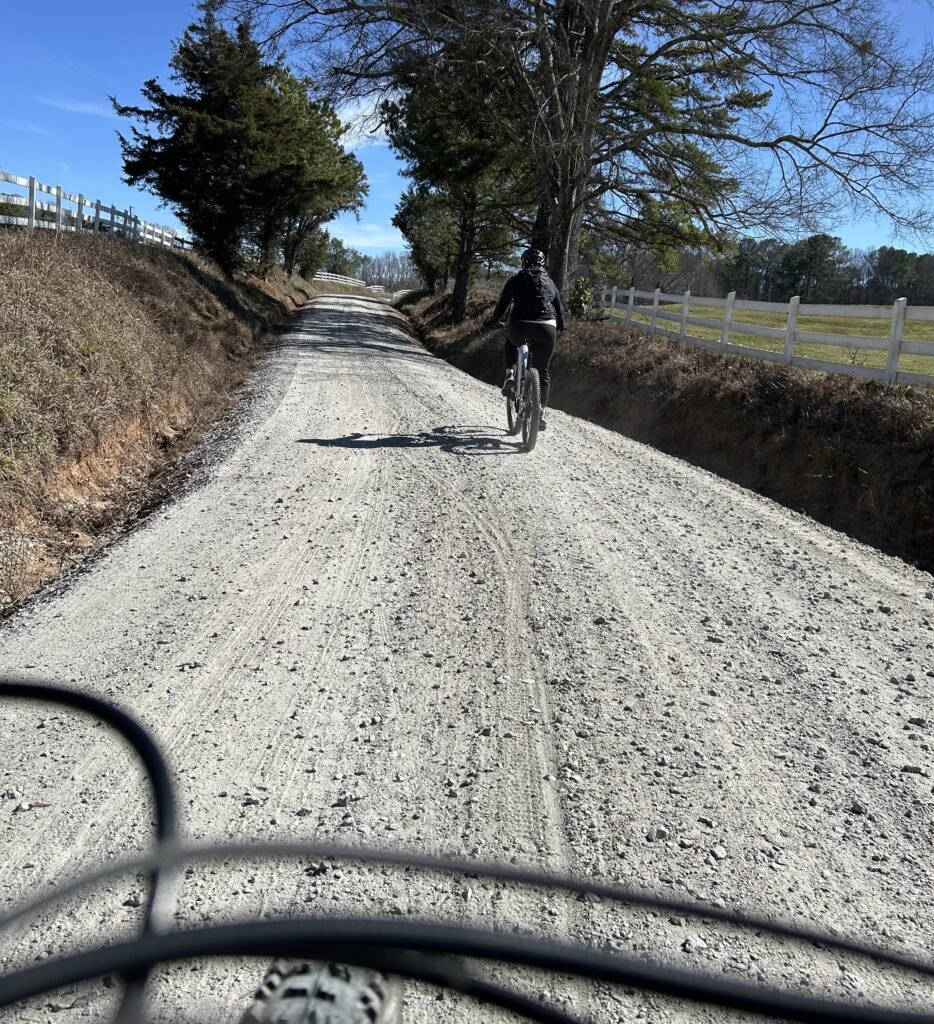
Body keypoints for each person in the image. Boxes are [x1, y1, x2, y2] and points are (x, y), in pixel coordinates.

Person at [483, 248, 566, 430]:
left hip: (519, 325)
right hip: (547, 328)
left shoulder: (515, 281)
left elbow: (502, 307)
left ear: (523, 263)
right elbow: (559, 310)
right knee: (542, 371)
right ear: (543, 264)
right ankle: (541, 411)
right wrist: (560, 326)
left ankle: (510, 376)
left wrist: (492, 322)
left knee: (511, 343)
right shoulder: (550, 283)